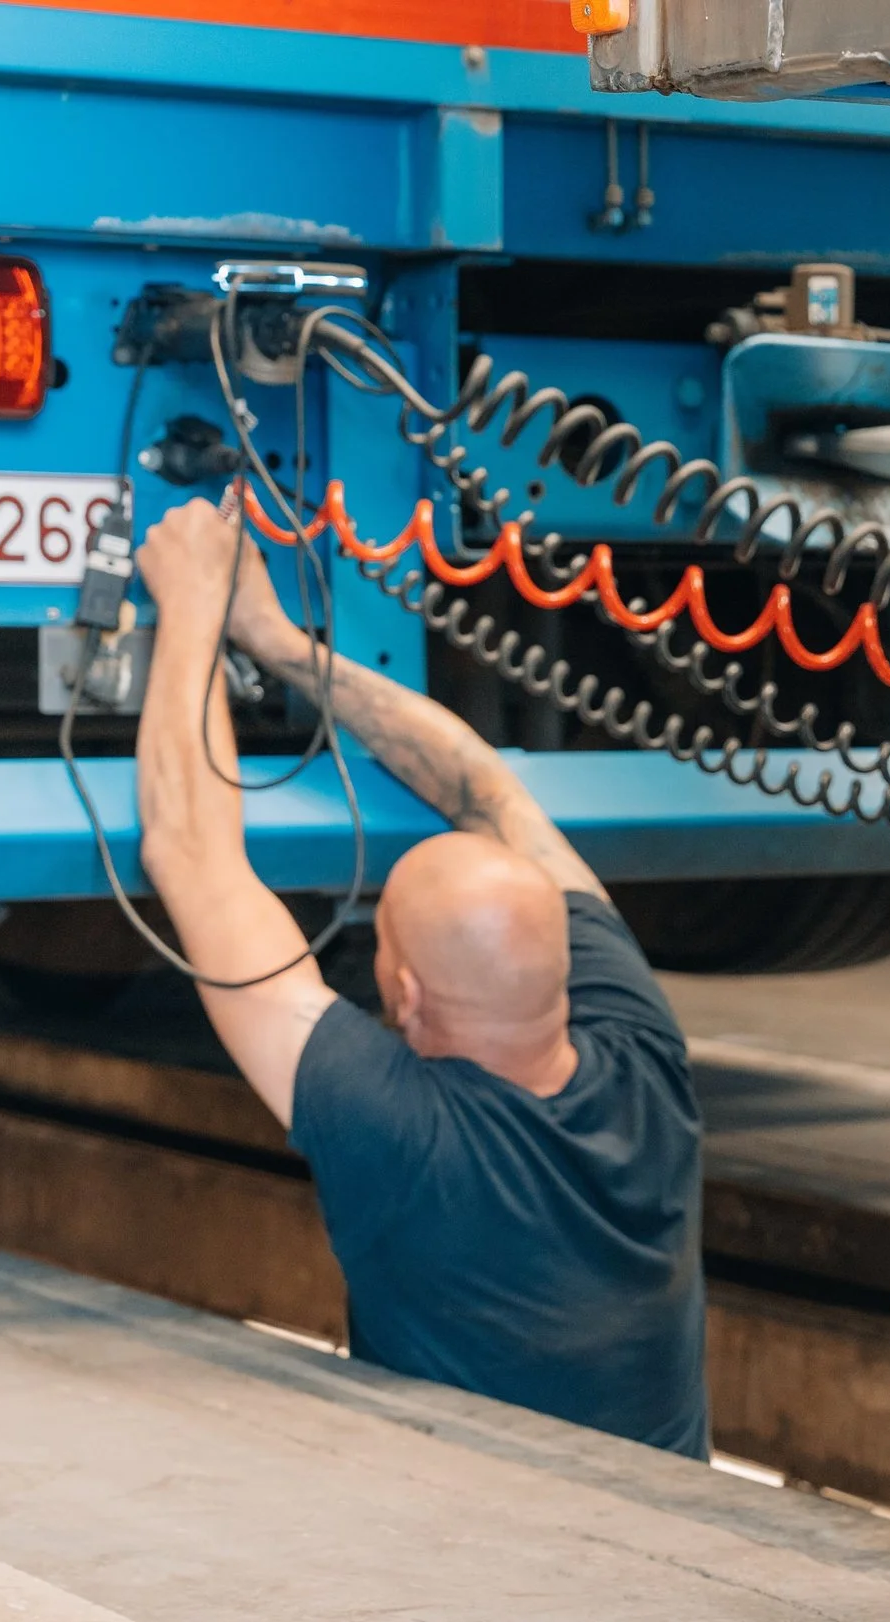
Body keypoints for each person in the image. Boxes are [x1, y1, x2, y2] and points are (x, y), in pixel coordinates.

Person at [131, 496, 707, 1459]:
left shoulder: (395, 1127)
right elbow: (487, 793)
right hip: (683, 1533)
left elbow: (189, 853)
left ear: (404, 997)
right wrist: (273, 637)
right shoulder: (645, 1050)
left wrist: (194, 601)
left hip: (473, 1557)